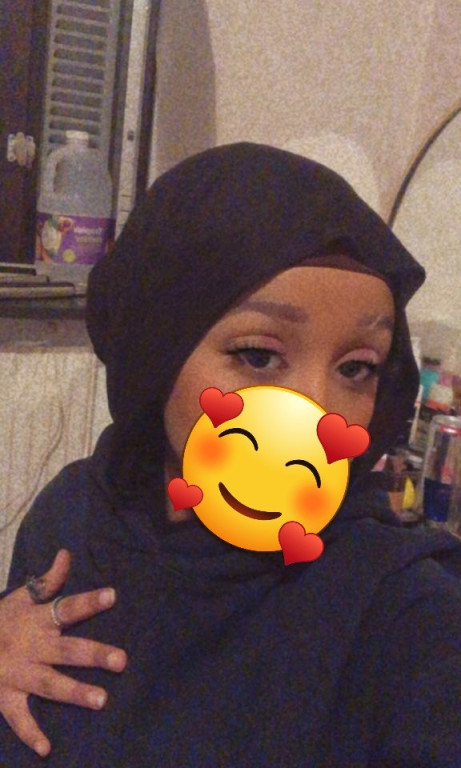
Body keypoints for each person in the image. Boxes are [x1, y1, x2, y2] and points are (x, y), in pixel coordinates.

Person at [1, 143, 460, 767]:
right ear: (155, 352)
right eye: (258, 356)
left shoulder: (405, 610)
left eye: (356, 368)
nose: (318, 417)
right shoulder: (73, 512)